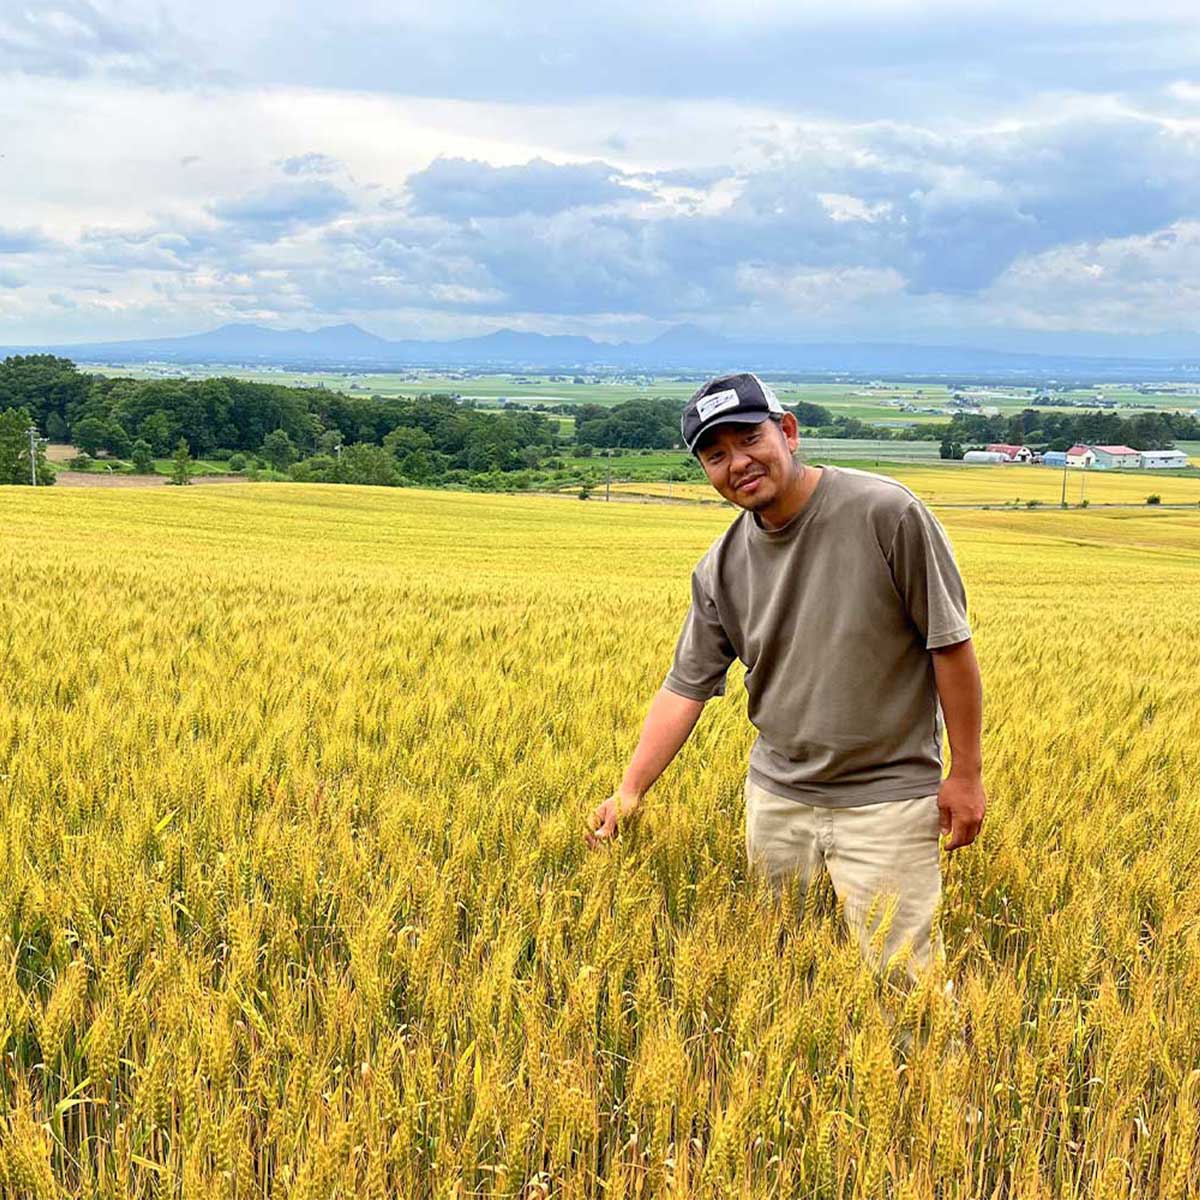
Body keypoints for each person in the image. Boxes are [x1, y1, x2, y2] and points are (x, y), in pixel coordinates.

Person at [584, 372, 986, 987]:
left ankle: (933, 1083)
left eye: (749, 440)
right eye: (716, 456)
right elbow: (685, 686)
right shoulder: (720, 567)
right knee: (786, 978)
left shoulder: (887, 513)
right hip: (778, 801)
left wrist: (965, 772)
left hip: (886, 800)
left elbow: (950, 646)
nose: (737, 464)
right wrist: (631, 789)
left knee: (906, 990)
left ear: (789, 432)